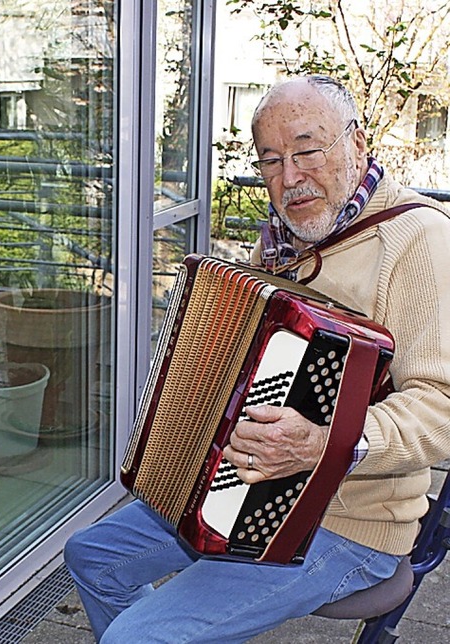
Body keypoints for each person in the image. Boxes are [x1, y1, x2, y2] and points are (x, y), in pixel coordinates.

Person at [64, 74, 450, 643]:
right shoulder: (281, 245)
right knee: (93, 556)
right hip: (247, 489)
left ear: (357, 144)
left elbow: (441, 409)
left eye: (307, 150)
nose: (289, 177)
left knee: (138, 636)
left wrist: (326, 440)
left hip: (350, 523)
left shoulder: (418, 240)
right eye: (270, 160)